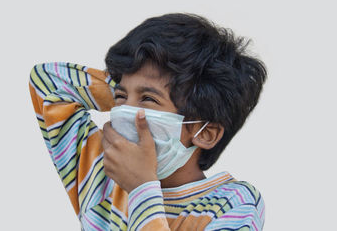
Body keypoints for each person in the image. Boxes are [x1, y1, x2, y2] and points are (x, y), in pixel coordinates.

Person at [29, 13, 267, 230]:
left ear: (206, 132)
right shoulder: (103, 176)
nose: (124, 112)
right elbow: (47, 84)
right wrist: (126, 86)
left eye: (148, 99)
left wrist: (142, 187)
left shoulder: (234, 204)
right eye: (121, 98)